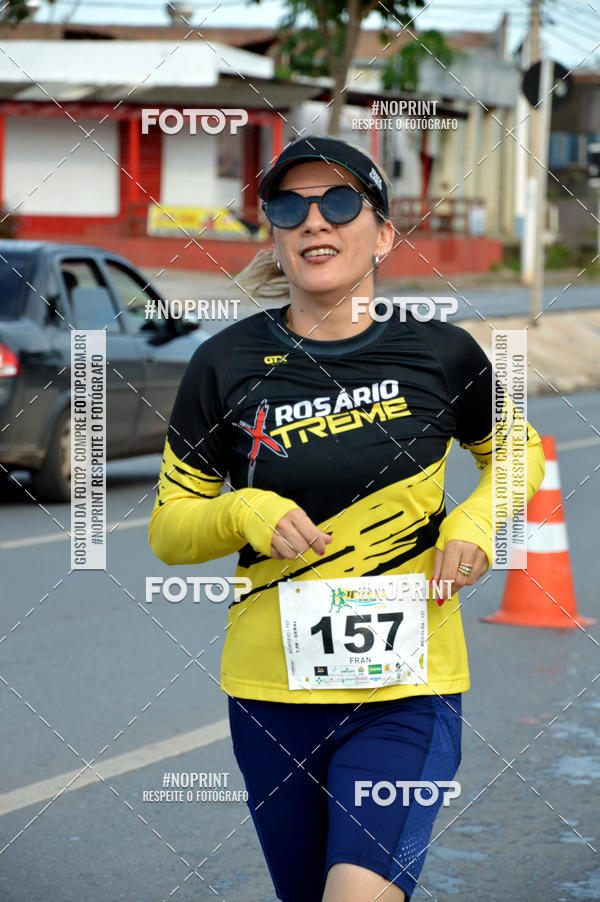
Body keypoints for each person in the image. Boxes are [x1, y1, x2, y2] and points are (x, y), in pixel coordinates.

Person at [149, 135, 546, 902]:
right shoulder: (223, 364)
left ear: (384, 235)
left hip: (407, 690)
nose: (312, 221)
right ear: (274, 232)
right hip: (270, 698)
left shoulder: (441, 354)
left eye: (337, 202)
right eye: (288, 207)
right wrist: (245, 509)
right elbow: (171, 529)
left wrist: (470, 525)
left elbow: (516, 455)